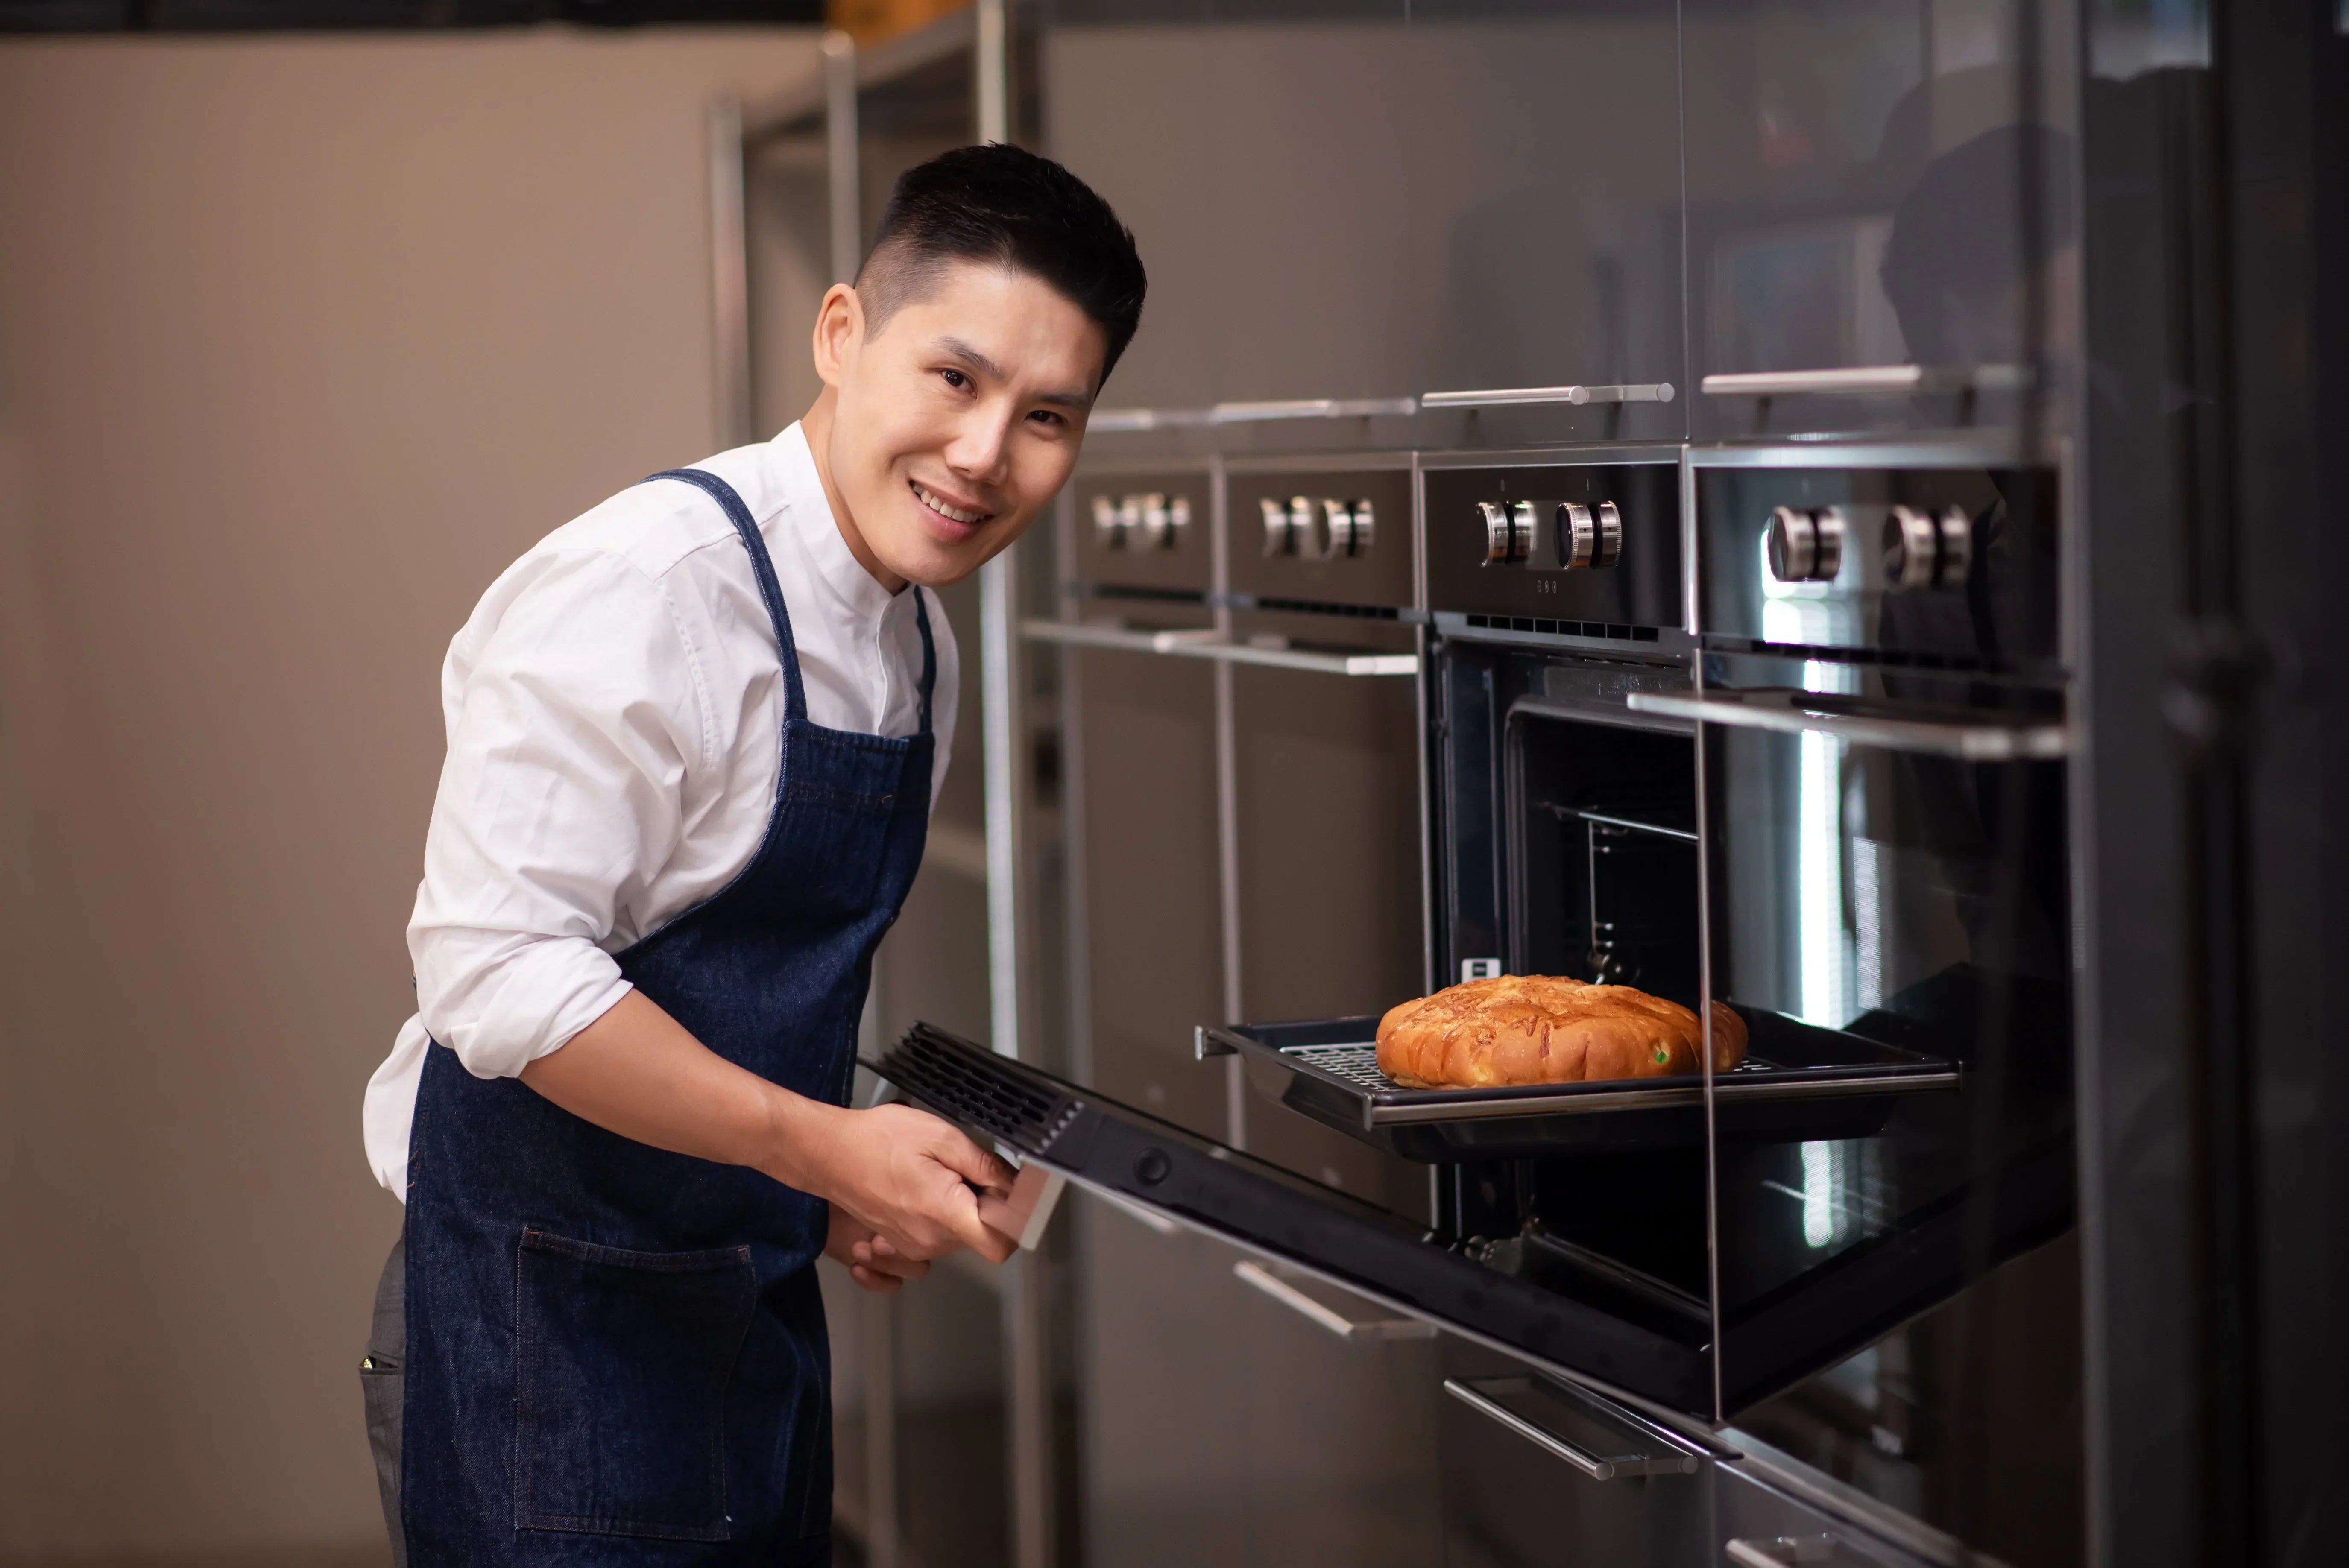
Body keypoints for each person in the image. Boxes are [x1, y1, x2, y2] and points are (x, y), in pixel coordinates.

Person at [356, 143, 1145, 1565]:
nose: (983, 454)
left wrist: (842, 1181)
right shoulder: (647, 589)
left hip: (742, 1323)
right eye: (953, 380)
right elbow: (500, 977)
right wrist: (826, 1149)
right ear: (841, 333)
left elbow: (724, 984)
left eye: (1048, 415)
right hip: (540, 1340)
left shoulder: (916, 640)